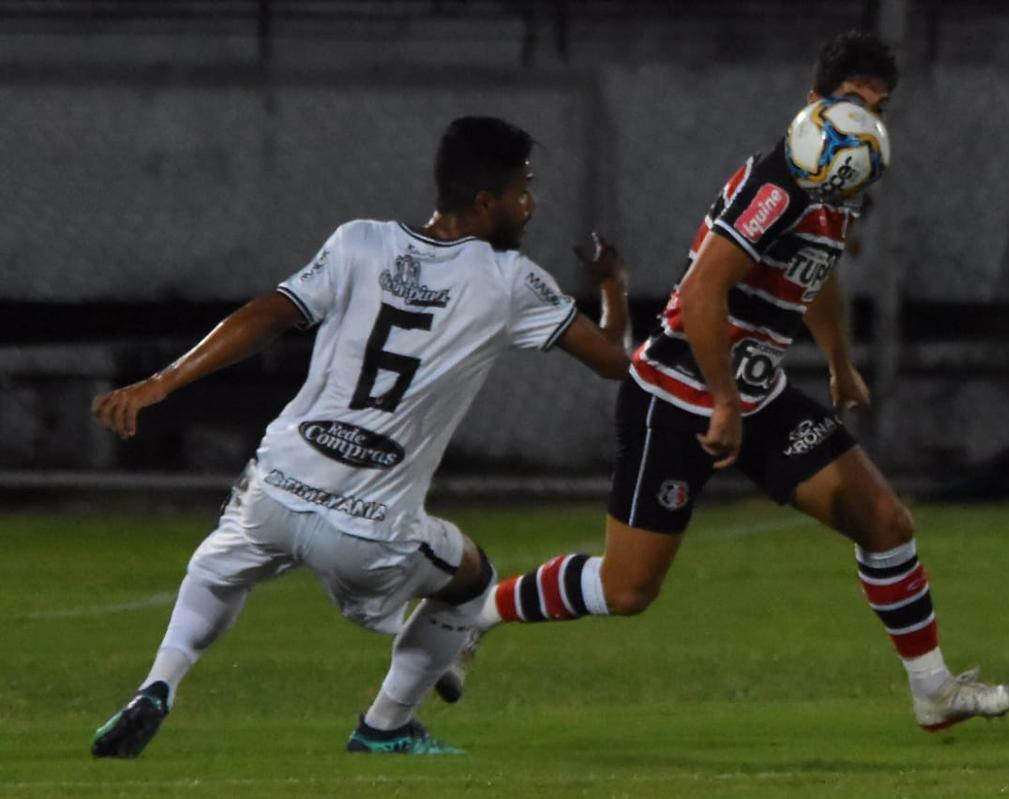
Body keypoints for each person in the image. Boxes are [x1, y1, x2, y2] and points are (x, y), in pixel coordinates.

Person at [436, 31, 1009, 732]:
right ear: (814, 103)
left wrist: (838, 362)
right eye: (852, 102)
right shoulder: (776, 184)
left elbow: (817, 274)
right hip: (678, 393)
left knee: (886, 521)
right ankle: (482, 609)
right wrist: (722, 401)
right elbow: (704, 291)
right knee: (627, 588)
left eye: (880, 106)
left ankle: (932, 690)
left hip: (753, 394)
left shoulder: (835, 181)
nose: (866, 120)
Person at [88, 116, 631, 757]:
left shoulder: (358, 243)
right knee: (474, 580)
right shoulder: (511, 281)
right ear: (487, 204)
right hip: (367, 529)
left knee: (218, 569)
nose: (529, 204)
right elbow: (615, 363)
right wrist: (613, 287)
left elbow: (268, 313)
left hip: (279, 485)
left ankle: (159, 685)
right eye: (523, 190)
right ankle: (386, 725)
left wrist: (163, 381)